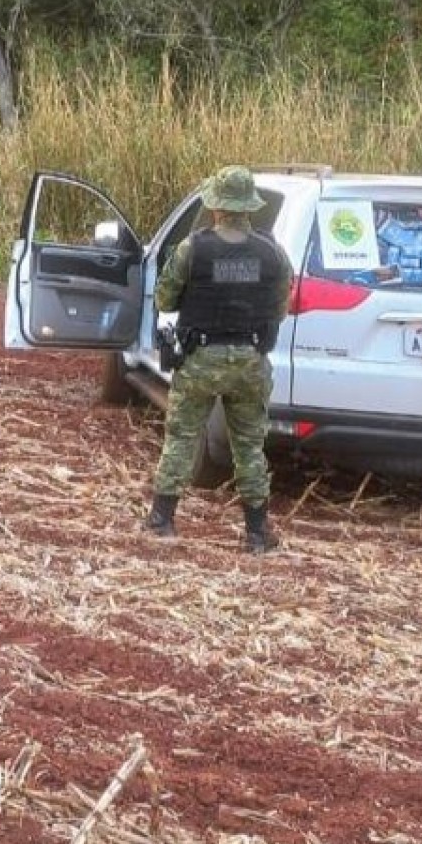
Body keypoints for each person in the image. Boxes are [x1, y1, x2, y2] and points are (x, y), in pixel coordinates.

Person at [144, 165, 293, 553]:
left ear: (215, 206)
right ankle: (258, 534)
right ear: (250, 208)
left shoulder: (192, 248)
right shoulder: (272, 252)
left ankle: (162, 520)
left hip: (200, 360)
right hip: (250, 360)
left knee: (181, 437)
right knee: (249, 447)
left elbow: (164, 300)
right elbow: (280, 307)